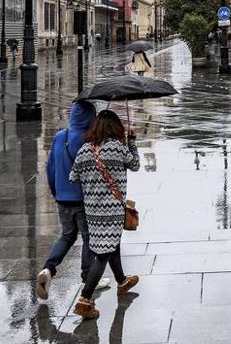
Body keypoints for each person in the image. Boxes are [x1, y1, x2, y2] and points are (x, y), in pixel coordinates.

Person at [70, 110, 141, 318]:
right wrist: (132, 142)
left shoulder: (85, 150)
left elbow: (72, 176)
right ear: (115, 127)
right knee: (103, 254)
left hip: (92, 211)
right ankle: (84, 299)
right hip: (112, 209)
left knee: (110, 245)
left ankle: (122, 281)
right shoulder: (118, 148)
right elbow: (135, 165)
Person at [35, 100, 99, 300]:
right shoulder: (90, 140)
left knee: (67, 236)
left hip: (62, 197)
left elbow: (50, 168)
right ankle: (87, 278)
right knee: (88, 238)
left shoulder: (59, 137)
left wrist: (56, 192)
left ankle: (48, 269)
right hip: (83, 199)